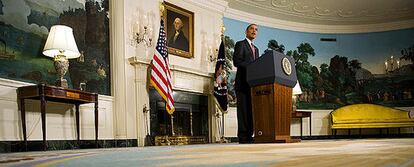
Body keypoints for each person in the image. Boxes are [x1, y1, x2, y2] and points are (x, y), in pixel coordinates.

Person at [232, 24, 259, 144]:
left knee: (251, 111)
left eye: (256, 30)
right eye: (252, 29)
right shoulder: (240, 44)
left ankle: (250, 135)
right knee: (243, 111)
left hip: (252, 85)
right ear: (246, 31)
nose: (254, 31)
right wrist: (252, 66)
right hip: (242, 83)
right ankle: (243, 137)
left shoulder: (256, 49)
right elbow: (236, 61)